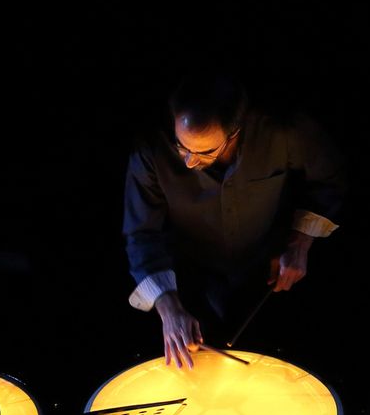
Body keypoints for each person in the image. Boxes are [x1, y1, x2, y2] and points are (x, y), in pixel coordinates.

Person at [124, 75, 346, 368]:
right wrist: (168, 306)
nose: (189, 161)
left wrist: (300, 242)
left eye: (203, 152)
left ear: (235, 132)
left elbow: (330, 182)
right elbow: (141, 233)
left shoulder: (283, 131)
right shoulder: (151, 150)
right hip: (191, 276)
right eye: (182, 147)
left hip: (269, 273)